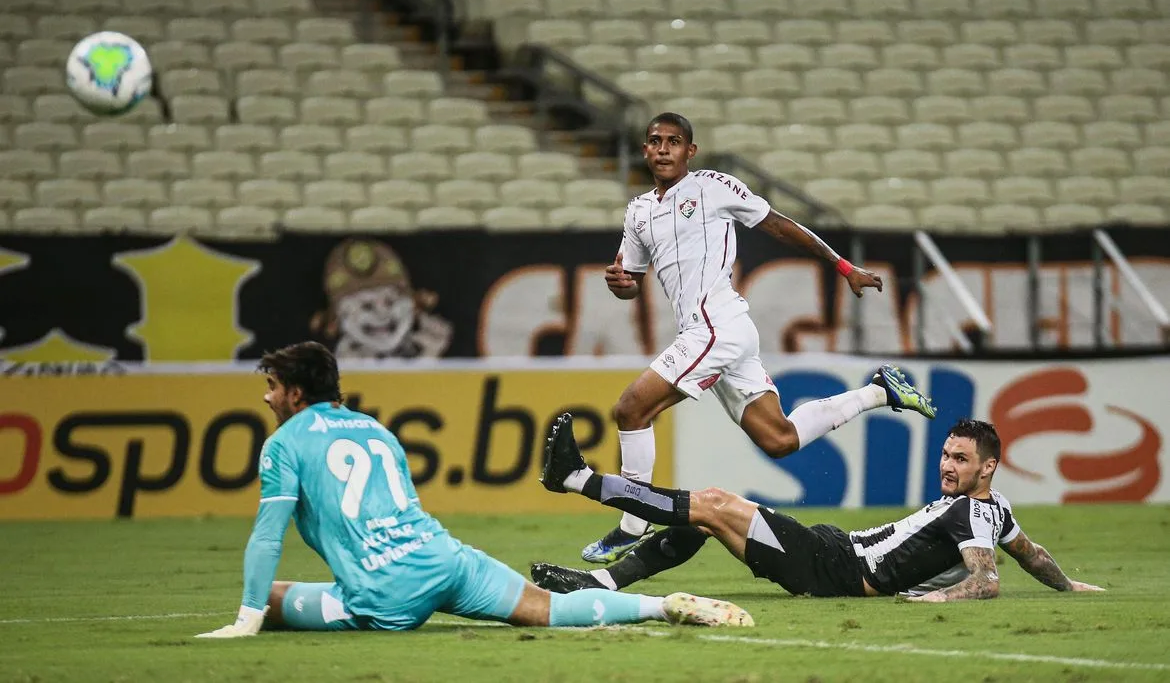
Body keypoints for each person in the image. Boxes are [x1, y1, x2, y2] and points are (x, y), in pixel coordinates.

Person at [195, 342, 753, 638]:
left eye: (272, 388)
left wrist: (246, 617)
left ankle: (259, 614)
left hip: (384, 593)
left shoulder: (285, 443)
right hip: (446, 560)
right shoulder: (376, 430)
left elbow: (268, 539)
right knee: (546, 609)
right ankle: (662, 606)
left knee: (271, 598)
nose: (267, 399)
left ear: (294, 393)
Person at [586, 111, 937, 563]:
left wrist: (842, 265)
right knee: (780, 439)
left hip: (718, 326)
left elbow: (779, 224)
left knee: (631, 408)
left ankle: (633, 520)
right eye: (655, 141)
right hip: (715, 334)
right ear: (645, 150)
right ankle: (877, 393)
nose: (664, 149)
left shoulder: (713, 186)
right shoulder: (638, 211)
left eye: (674, 141)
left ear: (690, 151)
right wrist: (622, 286)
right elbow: (630, 281)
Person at [537, 413, 1104, 602]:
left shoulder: (972, 514)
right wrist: (1069, 587)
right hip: (833, 550)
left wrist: (932, 597)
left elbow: (987, 581)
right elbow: (1030, 555)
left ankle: (578, 477)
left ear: (988, 467)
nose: (948, 466)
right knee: (710, 517)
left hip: (835, 568)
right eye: (946, 455)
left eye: (961, 459)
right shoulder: (995, 508)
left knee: (711, 504)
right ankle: (602, 586)